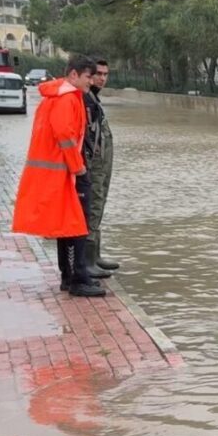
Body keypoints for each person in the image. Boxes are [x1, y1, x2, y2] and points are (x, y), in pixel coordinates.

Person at [11, 55, 105, 297]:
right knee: (77, 226)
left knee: (67, 224)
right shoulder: (67, 99)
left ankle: (69, 276)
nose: (91, 82)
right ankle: (77, 278)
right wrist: (78, 168)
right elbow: (65, 135)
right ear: (73, 74)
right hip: (67, 171)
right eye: (87, 77)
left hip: (58, 172)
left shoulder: (56, 96)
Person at [84, 58, 120, 275]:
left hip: (102, 165)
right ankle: (88, 261)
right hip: (93, 166)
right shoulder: (84, 100)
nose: (102, 78)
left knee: (100, 201)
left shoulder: (93, 99)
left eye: (106, 74)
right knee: (93, 204)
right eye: (98, 74)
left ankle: (95, 255)